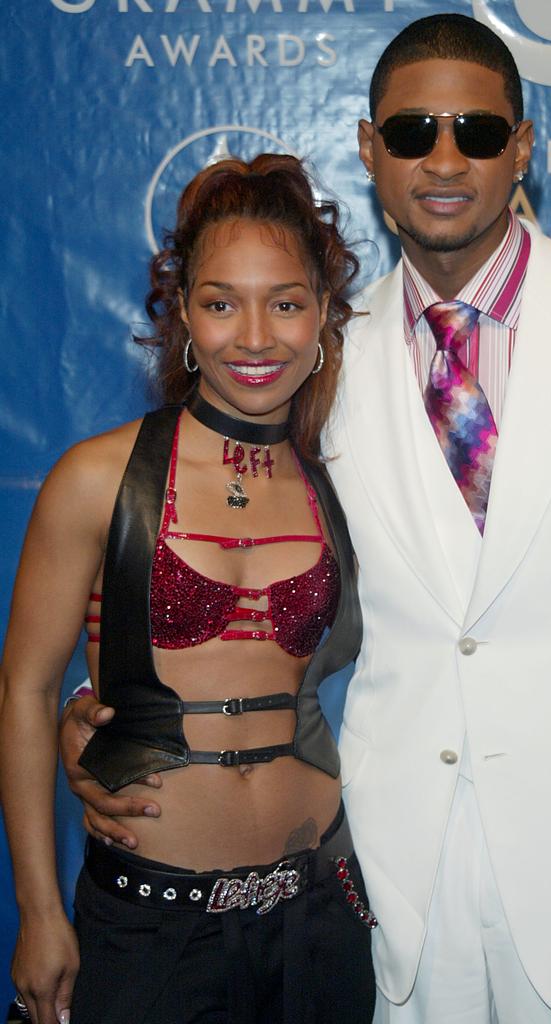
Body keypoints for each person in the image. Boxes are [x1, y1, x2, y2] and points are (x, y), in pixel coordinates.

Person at [60, 13, 551, 1024]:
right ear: (369, 149)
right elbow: (226, 540)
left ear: (522, 148)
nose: (444, 158)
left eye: (477, 132)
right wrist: (112, 711)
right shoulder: (318, 354)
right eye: (411, 131)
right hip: (389, 887)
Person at [0, 153, 377, 1024]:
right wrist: (39, 911)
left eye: (285, 302)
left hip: (321, 917)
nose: (254, 337)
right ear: (182, 320)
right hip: (148, 930)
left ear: (324, 315)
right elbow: (24, 691)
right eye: (221, 304)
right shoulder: (96, 477)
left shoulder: (346, 482)